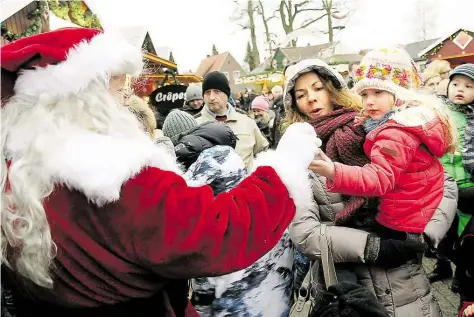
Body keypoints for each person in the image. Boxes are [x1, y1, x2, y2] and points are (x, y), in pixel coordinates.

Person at [0, 27, 321, 317]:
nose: (125, 101)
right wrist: (285, 167)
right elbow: (219, 231)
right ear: (85, 97)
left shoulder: (17, 172)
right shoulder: (111, 176)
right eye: (116, 91)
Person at [283, 58, 458, 317]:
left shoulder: (379, 126)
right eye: (301, 94)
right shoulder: (295, 150)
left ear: (334, 88)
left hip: (402, 279)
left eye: (318, 88)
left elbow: (442, 182)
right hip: (344, 286)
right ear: (294, 103)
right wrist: (373, 247)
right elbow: (305, 232)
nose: (311, 98)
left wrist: (421, 234)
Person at [311, 47, 455, 239]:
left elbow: (378, 178)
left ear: (400, 94)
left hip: (400, 221)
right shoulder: (413, 120)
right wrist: (372, 122)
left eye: (378, 92)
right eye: (364, 95)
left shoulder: (396, 133)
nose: (369, 101)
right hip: (420, 208)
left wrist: (333, 172)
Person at [195, 71, 269, 170]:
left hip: (246, 184)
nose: (212, 97)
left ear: (227, 94)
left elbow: (263, 151)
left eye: (217, 91)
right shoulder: (195, 125)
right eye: (207, 92)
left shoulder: (247, 122)